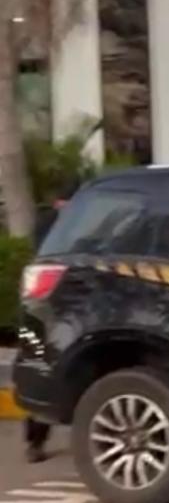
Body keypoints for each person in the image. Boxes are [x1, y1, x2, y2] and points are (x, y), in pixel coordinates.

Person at [22, 193, 71, 463]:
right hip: (58, 304)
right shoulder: (66, 223)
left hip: (41, 304)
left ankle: (35, 441)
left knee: (39, 365)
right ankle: (35, 440)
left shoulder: (46, 222)